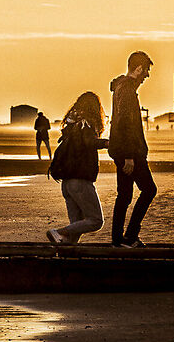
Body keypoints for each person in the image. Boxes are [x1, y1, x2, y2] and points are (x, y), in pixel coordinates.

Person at [108, 49, 157, 247]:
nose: (147, 75)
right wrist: (129, 156)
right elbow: (125, 122)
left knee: (125, 194)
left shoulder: (120, 86)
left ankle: (118, 239)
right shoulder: (127, 89)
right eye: (145, 70)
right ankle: (129, 236)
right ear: (137, 68)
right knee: (149, 190)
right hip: (130, 152)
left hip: (121, 150)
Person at [46, 93, 102, 245]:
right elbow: (90, 142)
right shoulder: (87, 124)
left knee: (76, 224)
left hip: (66, 182)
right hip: (80, 181)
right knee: (96, 220)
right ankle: (58, 232)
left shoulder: (71, 127)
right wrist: (109, 143)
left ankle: (66, 253)